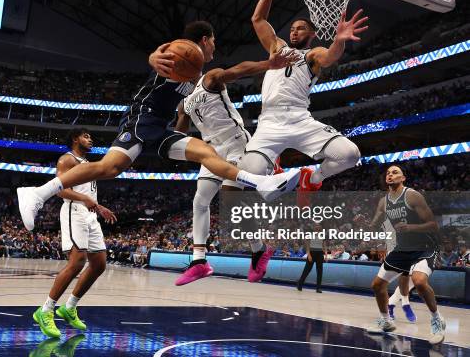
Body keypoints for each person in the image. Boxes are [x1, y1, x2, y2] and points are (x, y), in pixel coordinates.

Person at [17, 21, 303, 231]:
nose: (216, 46)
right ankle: (38, 193)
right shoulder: (183, 52)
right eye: (214, 40)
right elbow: (161, 56)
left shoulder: (197, 70)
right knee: (109, 168)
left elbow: (224, 75)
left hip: (161, 125)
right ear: (205, 39)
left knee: (206, 152)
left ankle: (260, 182)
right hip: (144, 116)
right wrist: (154, 57)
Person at [238, 0, 367, 205]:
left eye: (302, 28)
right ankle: (272, 168)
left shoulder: (312, 54)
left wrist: (339, 40)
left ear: (313, 34)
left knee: (350, 155)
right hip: (269, 123)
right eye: (293, 29)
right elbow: (257, 19)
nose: (295, 32)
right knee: (249, 174)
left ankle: (313, 178)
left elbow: (330, 57)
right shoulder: (278, 47)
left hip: (299, 119)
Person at [174, 49, 300, 286]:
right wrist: (180, 114)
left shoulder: (209, 78)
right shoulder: (184, 102)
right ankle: (199, 261)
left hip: (235, 143)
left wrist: (269, 64)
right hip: (211, 150)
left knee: (230, 202)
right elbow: (179, 136)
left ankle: (259, 249)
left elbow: (236, 71)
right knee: (199, 201)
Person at [33, 129, 117, 338]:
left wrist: (98, 207)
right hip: (74, 211)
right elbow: (60, 190)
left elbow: (89, 195)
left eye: (90, 137)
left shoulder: (89, 164)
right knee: (77, 262)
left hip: (90, 214)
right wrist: (85, 200)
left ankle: (69, 307)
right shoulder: (66, 160)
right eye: (86, 136)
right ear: (75, 138)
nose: (91, 139)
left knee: (99, 264)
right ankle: (45, 310)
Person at [366, 165, 445, 345]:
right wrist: (365, 225)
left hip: (424, 247)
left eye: (395, 172)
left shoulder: (412, 195)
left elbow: (433, 224)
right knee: (377, 285)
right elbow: (374, 223)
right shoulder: (383, 201)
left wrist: (411, 227)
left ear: (403, 178)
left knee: (419, 281)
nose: (390, 175)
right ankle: (387, 322)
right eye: (388, 173)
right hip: (403, 248)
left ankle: (437, 320)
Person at [297, 223, 327, 293]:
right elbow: (307, 246)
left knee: (320, 271)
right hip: (312, 253)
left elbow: (324, 246)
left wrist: (325, 255)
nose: (317, 227)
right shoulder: (310, 235)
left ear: (320, 227)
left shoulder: (323, 235)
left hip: (320, 254)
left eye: (318, 226)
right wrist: (309, 255)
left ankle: (318, 288)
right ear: (314, 227)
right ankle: (300, 284)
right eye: (316, 226)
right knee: (307, 270)